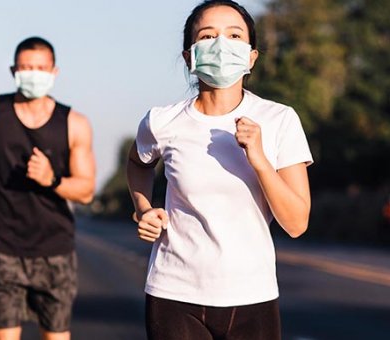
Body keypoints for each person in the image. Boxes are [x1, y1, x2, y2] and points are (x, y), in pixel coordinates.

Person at [126, 1, 313, 339]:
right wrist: (143, 208)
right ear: (189, 56)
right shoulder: (162, 121)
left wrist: (258, 158)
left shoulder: (279, 119)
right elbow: (138, 162)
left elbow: (297, 223)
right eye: (208, 36)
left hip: (252, 295)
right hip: (174, 293)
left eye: (234, 35)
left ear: (251, 57)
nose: (221, 45)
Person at [0, 36, 95, 340]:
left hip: (55, 248)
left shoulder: (74, 124)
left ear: (54, 72)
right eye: (26, 67)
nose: (33, 74)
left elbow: (86, 191)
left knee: (55, 336)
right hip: (1, 245)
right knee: (4, 335)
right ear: (14, 70)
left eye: (40, 67)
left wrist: (51, 179)